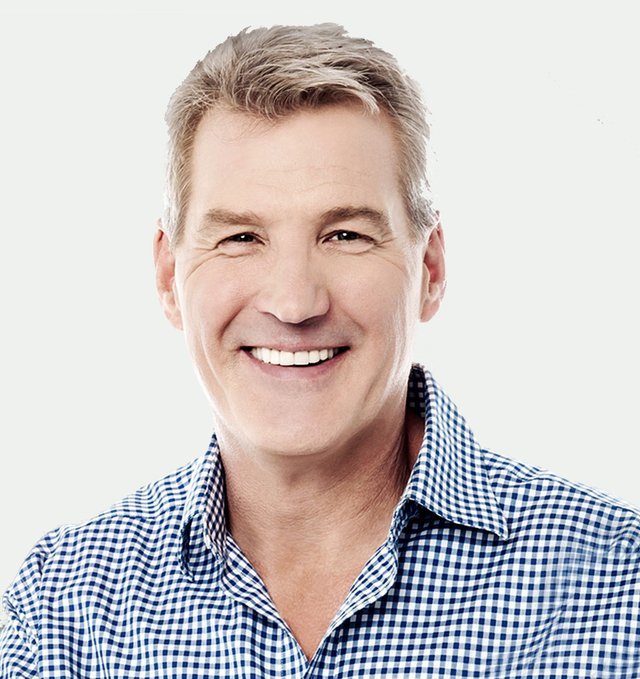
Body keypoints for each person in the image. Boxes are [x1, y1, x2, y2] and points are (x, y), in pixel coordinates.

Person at [1, 22, 638, 678]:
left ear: (430, 268)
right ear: (169, 277)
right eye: (241, 238)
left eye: (346, 235)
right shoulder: (63, 607)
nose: (294, 302)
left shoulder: (619, 584)